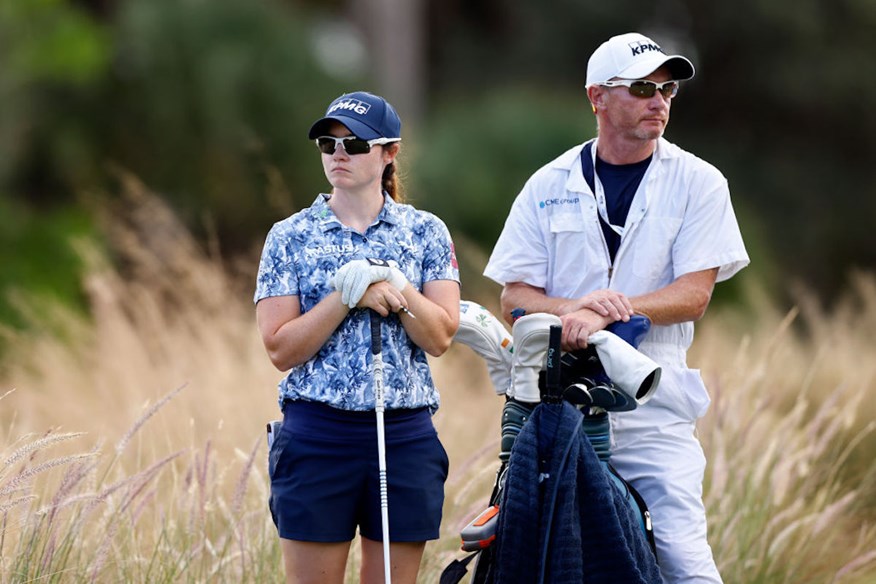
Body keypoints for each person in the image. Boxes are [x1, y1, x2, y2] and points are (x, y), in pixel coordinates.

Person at [483, 32, 749, 583]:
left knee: (682, 557)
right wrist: (575, 308)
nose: (660, 100)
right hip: (557, 408)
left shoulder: (700, 182)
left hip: (655, 409)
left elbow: (693, 295)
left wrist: (609, 311)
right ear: (597, 98)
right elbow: (515, 295)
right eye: (642, 88)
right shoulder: (546, 184)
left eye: (667, 88)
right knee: (533, 551)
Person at [254, 91, 460, 584]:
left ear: (389, 152)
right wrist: (346, 298)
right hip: (319, 433)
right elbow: (280, 348)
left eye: (356, 144)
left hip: (404, 433)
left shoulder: (425, 232)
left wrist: (397, 286)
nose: (339, 154)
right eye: (329, 144)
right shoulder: (291, 235)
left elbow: (440, 335)